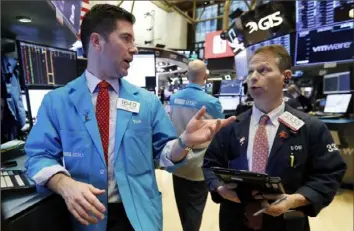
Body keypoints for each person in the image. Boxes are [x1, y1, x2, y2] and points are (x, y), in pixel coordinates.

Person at [25, 4, 236, 231]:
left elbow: (164, 154)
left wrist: (183, 142)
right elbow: (38, 156)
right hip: (85, 217)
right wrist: (64, 184)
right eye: (126, 38)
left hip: (139, 217)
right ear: (97, 42)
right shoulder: (57, 102)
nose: (134, 49)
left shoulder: (147, 102)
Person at [202, 45, 347, 231]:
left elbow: (330, 173)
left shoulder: (310, 127)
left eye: (263, 70)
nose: (253, 77)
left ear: (285, 77)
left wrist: (295, 199)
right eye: (250, 71)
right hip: (235, 220)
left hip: (287, 223)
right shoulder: (231, 126)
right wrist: (219, 188)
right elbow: (210, 164)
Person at [169, 60, 224, 231]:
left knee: (182, 206)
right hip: (199, 165)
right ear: (206, 77)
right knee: (195, 208)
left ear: (187, 76)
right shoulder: (211, 102)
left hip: (177, 159)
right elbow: (220, 131)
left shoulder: (173, 98)